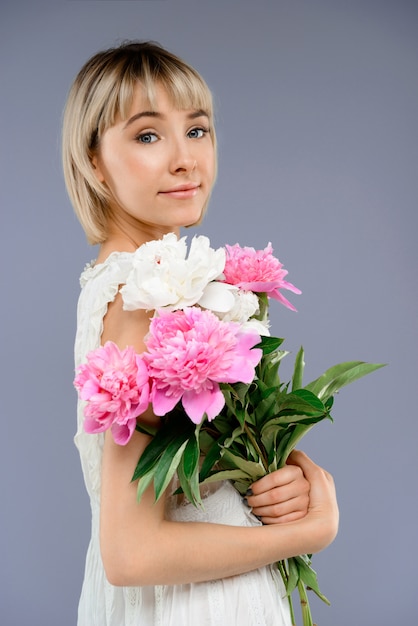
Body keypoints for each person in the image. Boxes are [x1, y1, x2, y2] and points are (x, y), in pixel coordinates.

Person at [62, 41, 338, 626]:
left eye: (197, 130)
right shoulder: (141, 296)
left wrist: (277, 474)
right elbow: (132, 551)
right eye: (147, 135)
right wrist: (310, 531)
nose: (186, 160)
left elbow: (188, 471)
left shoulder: (133, 283)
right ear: (92, 159)